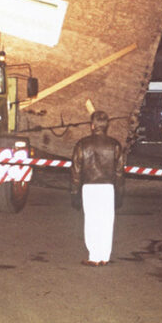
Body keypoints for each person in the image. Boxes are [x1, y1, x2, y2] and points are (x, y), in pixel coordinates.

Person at [70, 110, 124, 266]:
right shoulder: (115, 145)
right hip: (108, 188)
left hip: (89, 187)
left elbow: (76, 170)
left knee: (92, 220)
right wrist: (119, 192)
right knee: (107, 221)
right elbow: (119, 172)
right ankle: (105, 256)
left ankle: (93, 255)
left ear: (92, 126)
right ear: (107, 126)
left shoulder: (82, 144)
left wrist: (74, 191)